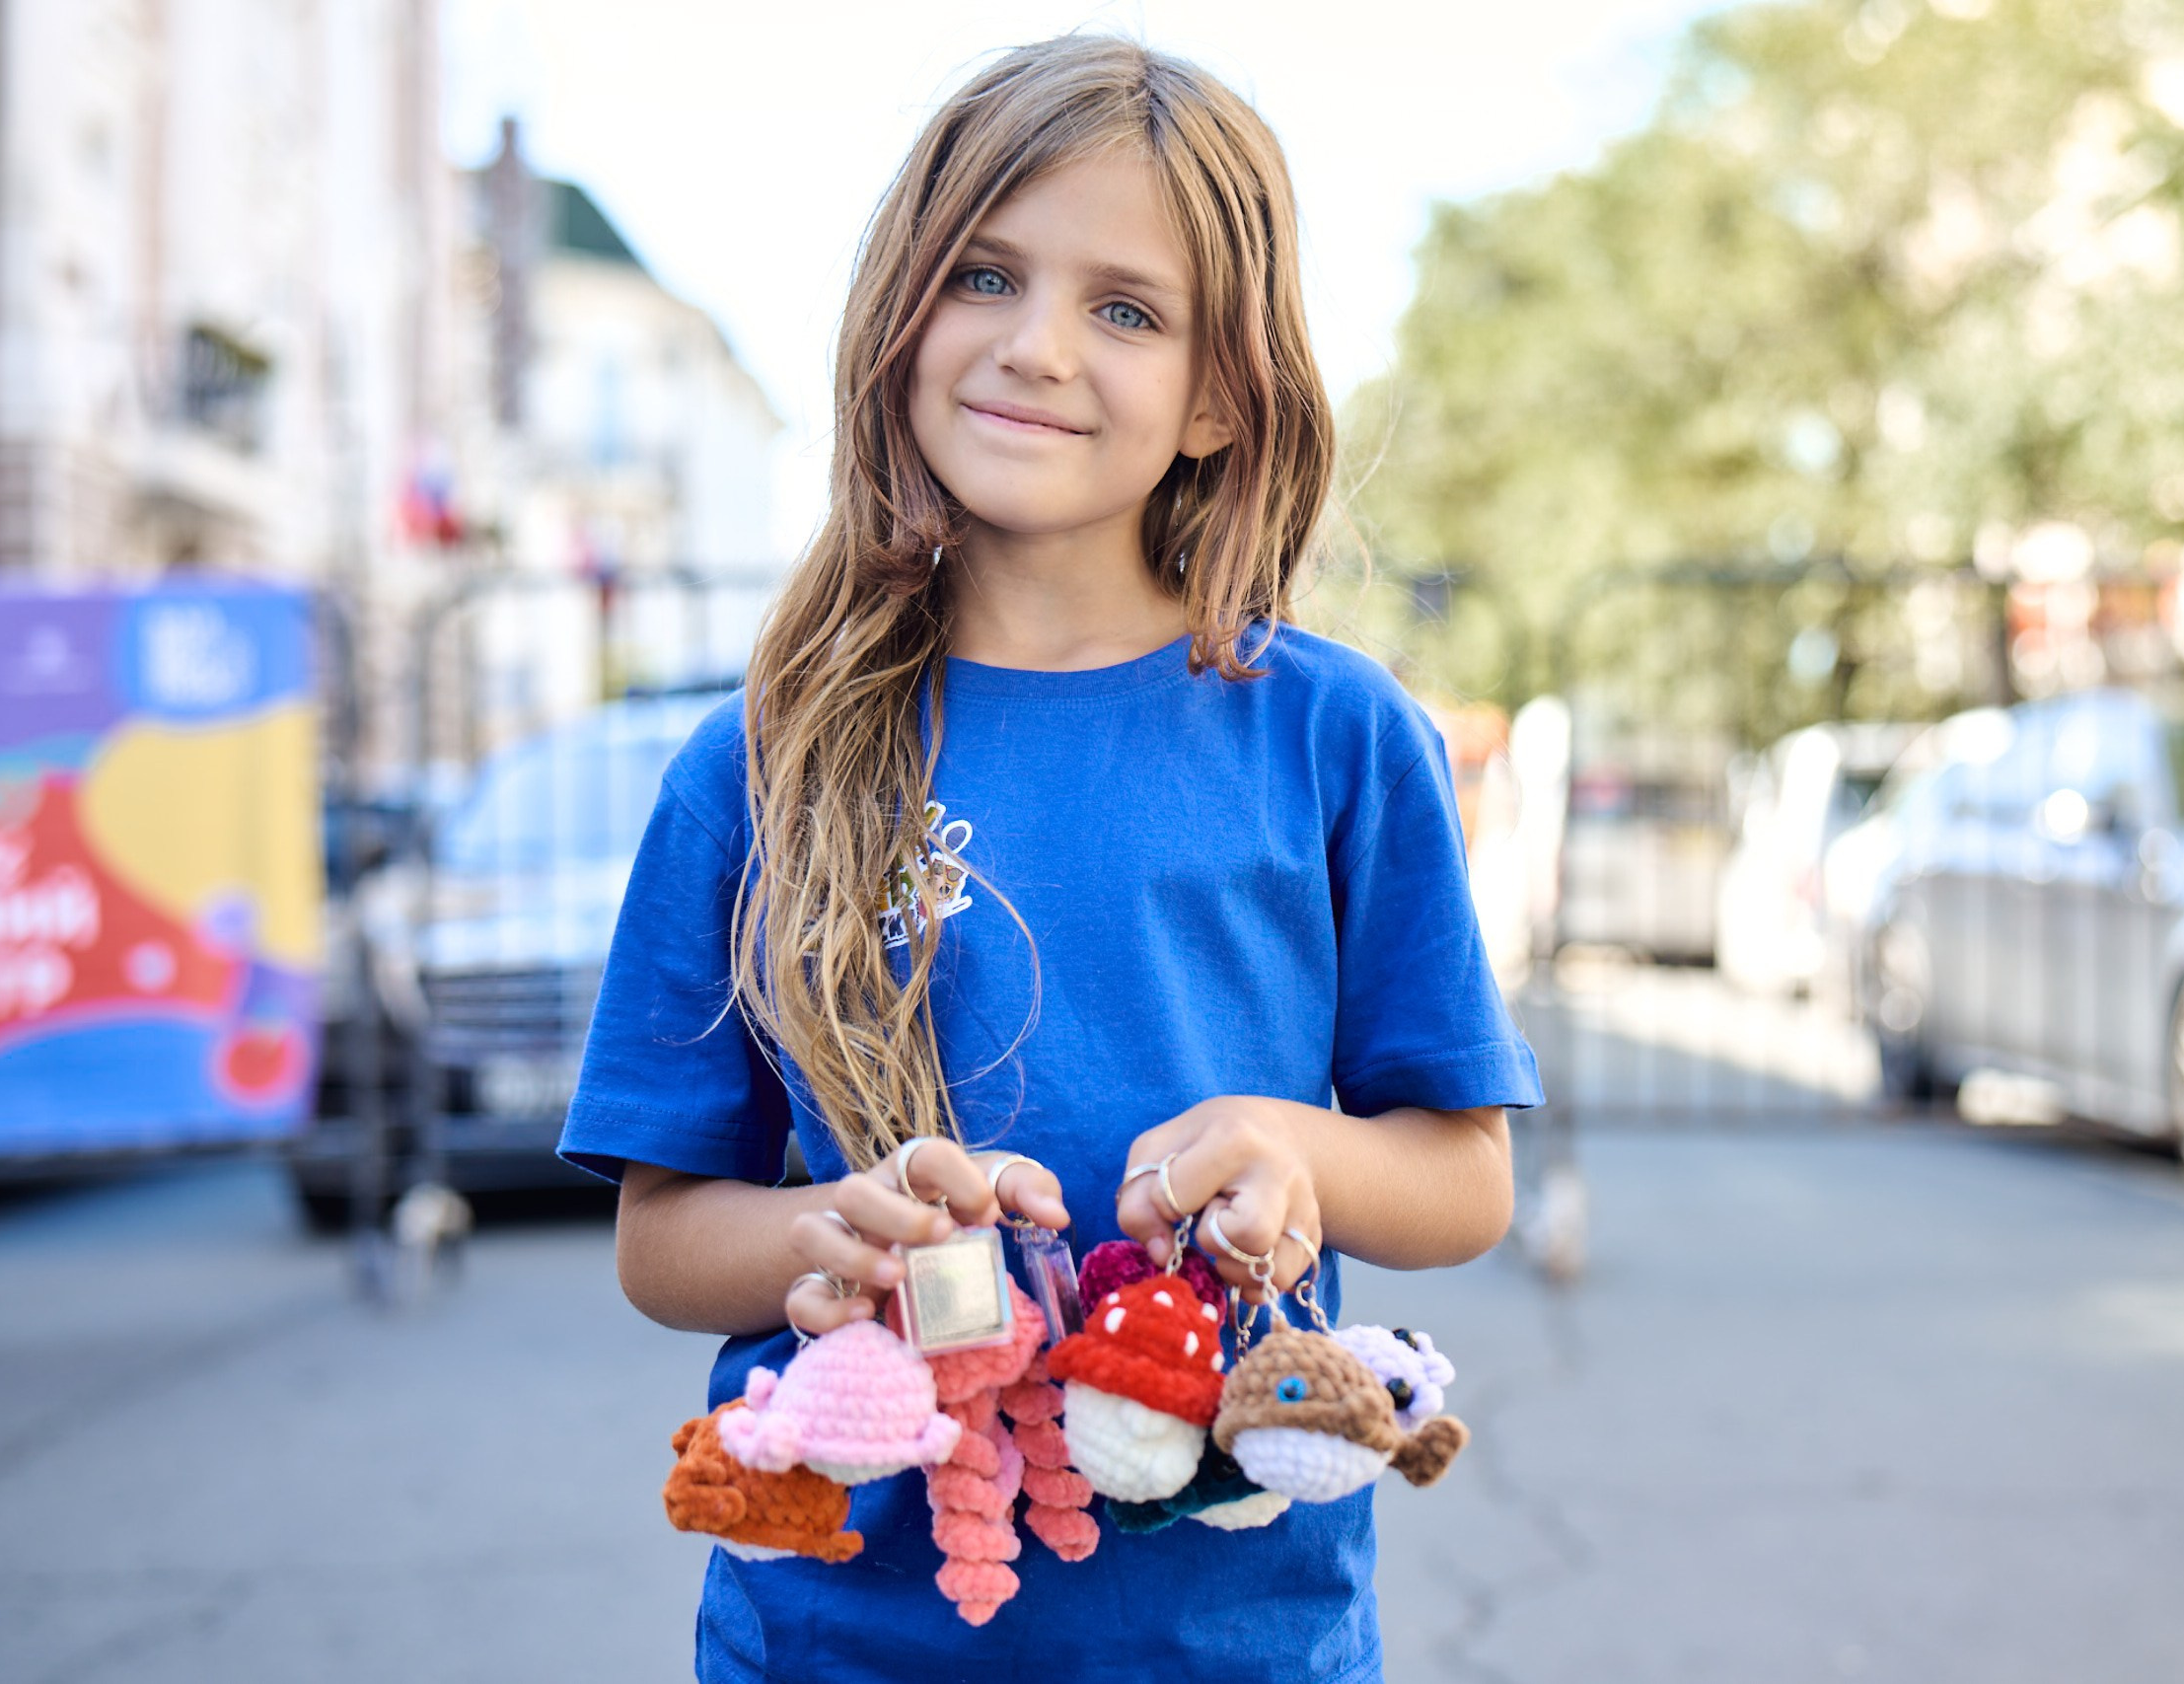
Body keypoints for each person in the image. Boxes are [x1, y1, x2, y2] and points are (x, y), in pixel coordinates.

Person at [560, 34, 1542, 1684]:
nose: (1038, 350)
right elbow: (662, 1237)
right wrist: (828, 1236)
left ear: (1221, 392)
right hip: (835, 1636)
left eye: (1127, 309)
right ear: (903, 311)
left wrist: (1295, 1147)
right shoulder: (756, 764)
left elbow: (1463, 1182)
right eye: (988, 276)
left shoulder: (1335, 734)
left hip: (1238, 1631)